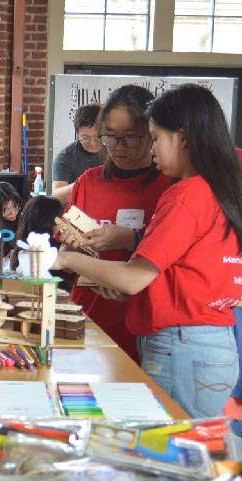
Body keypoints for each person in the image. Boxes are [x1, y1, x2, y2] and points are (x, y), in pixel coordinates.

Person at [50, 83, 242, 421]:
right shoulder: (218, 188)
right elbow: (181, 273)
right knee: (185, 451)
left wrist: (66, 258)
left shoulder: (185, 194)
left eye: (153, 137)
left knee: (173, 452)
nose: (153, 149)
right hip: (200, 342)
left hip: (181, 345)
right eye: (109, 137)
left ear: (183, 138)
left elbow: (134, 278)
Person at [56, 85, 173, 352]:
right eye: (110, 137)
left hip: (146, 329)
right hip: (88, 317)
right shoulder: (89, 181)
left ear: (151, 135)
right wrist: (81, 258)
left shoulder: (169, 187)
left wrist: (130, 239)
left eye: (131, 138)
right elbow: (66, 251)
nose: (118, 148)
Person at [52, 103, 107, 196]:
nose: (93, 142)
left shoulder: (115, 151)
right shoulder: (66, 157)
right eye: (85, 138)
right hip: (77, 209)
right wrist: (83, 183)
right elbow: (57, 195)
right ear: (77, 135)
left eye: (98, 136)